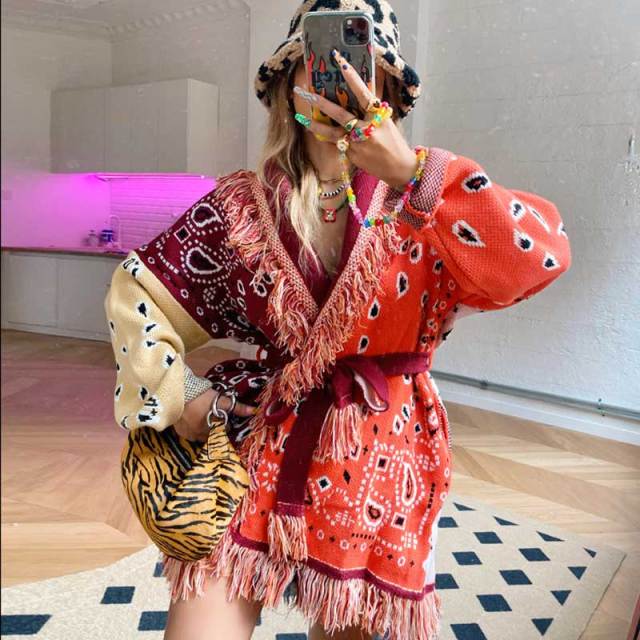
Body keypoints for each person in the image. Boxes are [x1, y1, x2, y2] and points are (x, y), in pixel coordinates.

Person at [103, 1, 572, 639]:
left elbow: (536, 258)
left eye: (363, 68)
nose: (341, 81)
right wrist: (184, 395)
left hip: (380, 453)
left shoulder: (428, 196)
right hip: (260, 437)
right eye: (319, 63)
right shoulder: (243, 204)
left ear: (388, 93)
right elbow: (140, 291)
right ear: (288, 84)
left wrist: (413, 173)